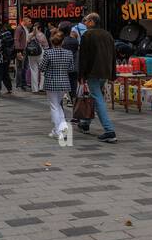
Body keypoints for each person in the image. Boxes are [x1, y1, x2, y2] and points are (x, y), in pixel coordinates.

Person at [76, 12, 118, 143]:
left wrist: (81, 75)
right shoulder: (107, 34)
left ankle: (109, 130)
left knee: (97, 98)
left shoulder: (87, 35)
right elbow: (113, 55)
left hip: (93, 72)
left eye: (87, 20)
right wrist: (112, 73)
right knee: (95, 96)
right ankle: (85, 122)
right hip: (105, 71)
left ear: (92, 22)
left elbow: (83, 57)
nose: (85, 22)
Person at [41, 29, 75, 138]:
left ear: (52, 41)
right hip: (64, 81)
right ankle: (61, 128)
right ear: (62, 42)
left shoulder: (48, 53)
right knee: (58, 105)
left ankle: (58, 130)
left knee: (54, 106)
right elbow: (71, 68)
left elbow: (42, 67)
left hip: (51, 81)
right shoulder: (69, 53)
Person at [61, 23, 81, 104]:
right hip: (74, 65)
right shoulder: (74, 41)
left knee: (65, 82)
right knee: (73, 83)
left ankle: (67, 98)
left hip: (63, 65)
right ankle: (73, 98)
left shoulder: (61, 41)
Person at [27, 19, 47, 93]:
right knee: (42, 71)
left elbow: (26, 43)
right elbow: (46, 46)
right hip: (40, 54)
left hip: (31, 54)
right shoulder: (41, 35)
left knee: (33, 70)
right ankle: (41, 87)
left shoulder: (29, 35)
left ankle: (34, 89)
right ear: (40, 28)